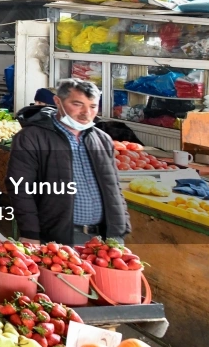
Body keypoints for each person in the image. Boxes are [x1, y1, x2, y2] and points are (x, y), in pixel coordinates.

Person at [7, 79, 129, 246]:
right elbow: (20, 188)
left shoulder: (102, 139)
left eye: (93, 106)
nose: (86, 113)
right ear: (58, 102)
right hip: (58, 237)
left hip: (104, 239)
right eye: (77, 104)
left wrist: (120, 230)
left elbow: (114, 187)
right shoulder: (32, 137)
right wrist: (30, 233)